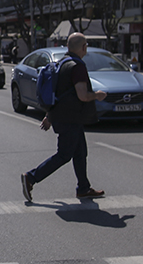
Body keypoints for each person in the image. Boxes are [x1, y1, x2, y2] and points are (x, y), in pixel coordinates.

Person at [21, 33, 107, 202]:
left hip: (65, 117)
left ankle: (83, 188)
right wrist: (97, 95)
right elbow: (82, 95)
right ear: (83, 47)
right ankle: (31, 177)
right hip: (71, 119)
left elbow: (59, 96)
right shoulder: (77, 67)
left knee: (80, 152)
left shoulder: (62, 64)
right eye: (86, 45)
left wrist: (49, 116)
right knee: (64, 155)